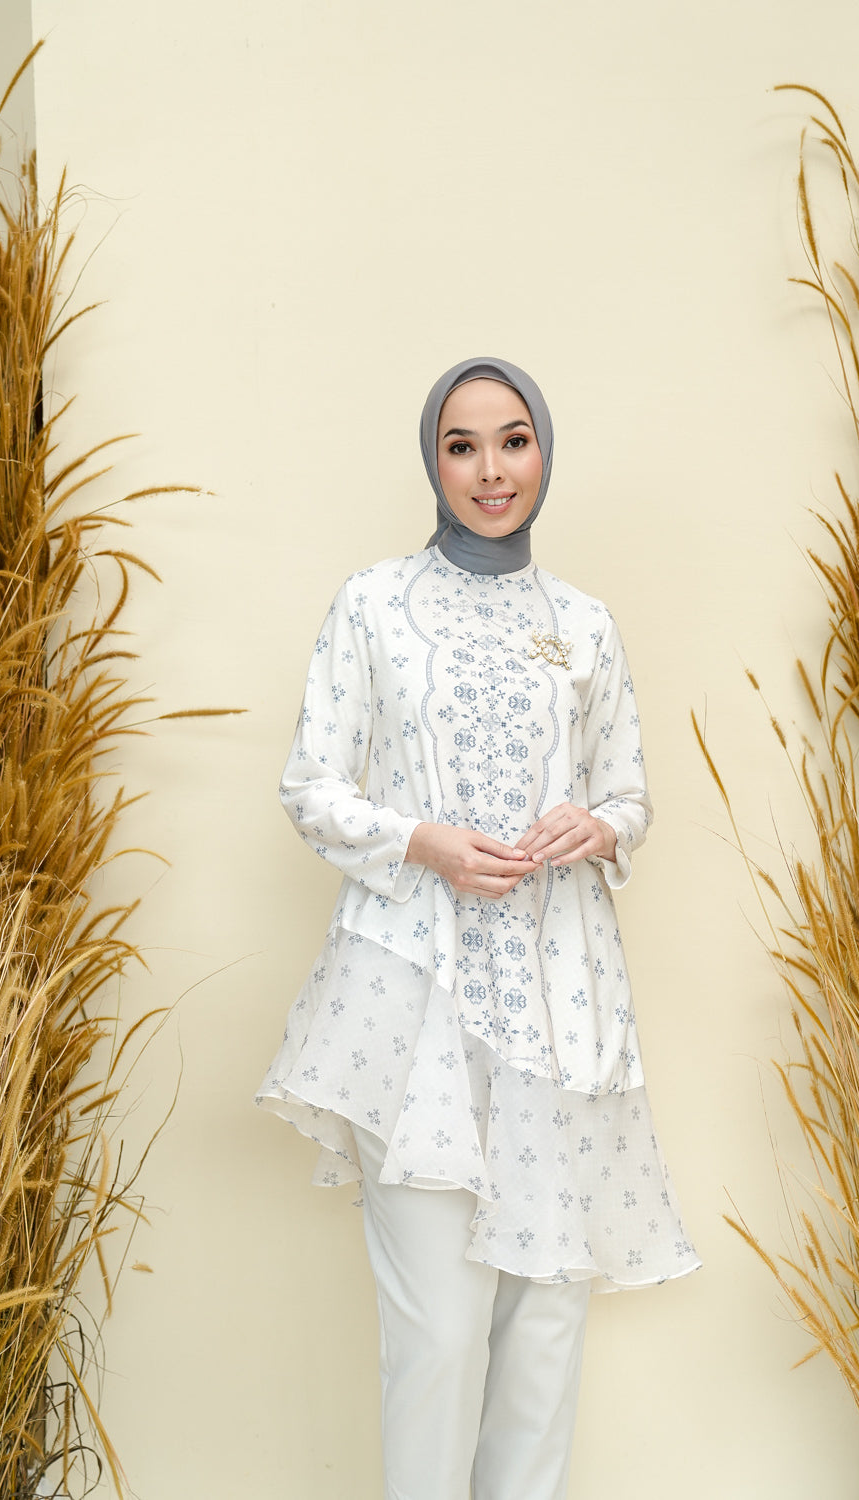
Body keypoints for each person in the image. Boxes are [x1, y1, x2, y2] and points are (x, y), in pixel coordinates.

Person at [256, 357, 700, 1500]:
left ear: (543, 451)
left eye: (513, 440)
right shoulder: (374, 605)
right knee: (440, 1341)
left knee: (544, 1336)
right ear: (433, 460)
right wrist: (423, 841)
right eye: (462, 445)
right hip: (415, 1002)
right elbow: (311, 786)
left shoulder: (584, 626)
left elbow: (629, 794)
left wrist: (597, 825)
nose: (490, 470)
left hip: (561, 1003)